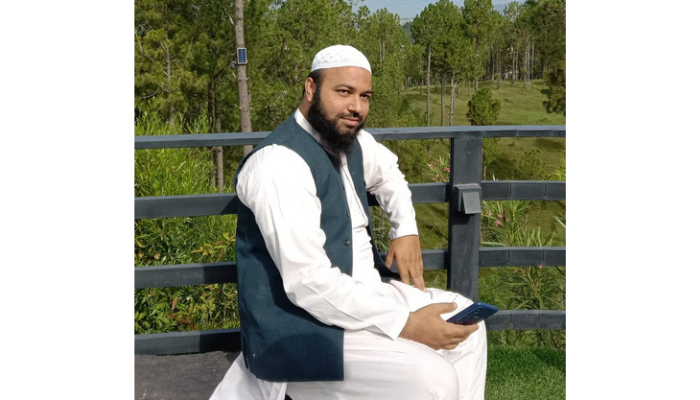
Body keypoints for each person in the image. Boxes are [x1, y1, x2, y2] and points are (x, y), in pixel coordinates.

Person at [209, 44, 487, 400]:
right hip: (304, 327)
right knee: (434, 378)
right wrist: (406, 324)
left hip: (366, 300)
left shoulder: (351, 142)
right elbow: (308, 282)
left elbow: (390, 174)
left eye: (364, 96)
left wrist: (406, 230)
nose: (356, 106)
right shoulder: (278, 165)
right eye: (344, 92)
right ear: (311, 88)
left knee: (468, 325)